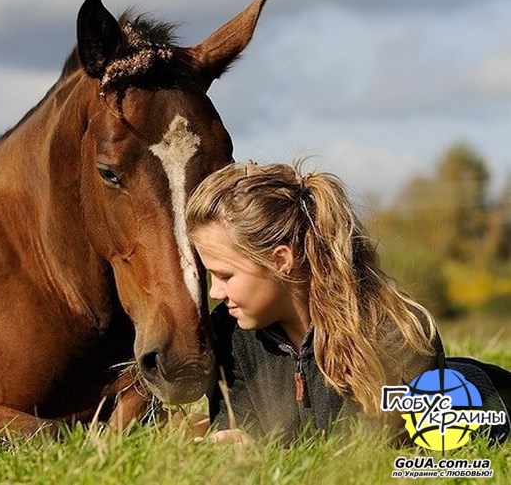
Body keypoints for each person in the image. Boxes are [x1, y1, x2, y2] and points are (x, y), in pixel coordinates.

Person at [185, 161, 510, 446]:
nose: (215, 292)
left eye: (225, 275)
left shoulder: (396, 336)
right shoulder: (229, 334)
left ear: (281, 260)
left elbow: (378, 459)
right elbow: (237, 426)